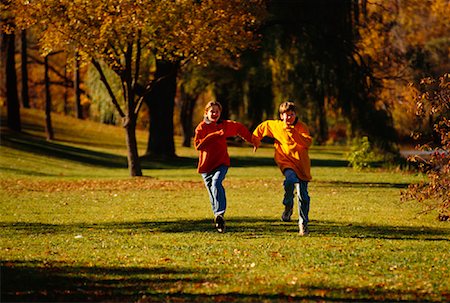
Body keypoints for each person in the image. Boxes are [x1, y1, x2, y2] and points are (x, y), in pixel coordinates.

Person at [252, 101, 312, 235]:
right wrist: (255, 141)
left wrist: (295, 133)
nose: (289, 117)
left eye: (292, 115)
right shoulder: (276, 126)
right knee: (290, 181)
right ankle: (288, 204)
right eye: (286, 115)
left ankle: (303, 223)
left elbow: (307, 142)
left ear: (295, 115)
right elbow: (262, 127)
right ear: (281, 116)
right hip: (286, 161)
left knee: (303, 196)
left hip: (301, 164)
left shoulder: (302, 127)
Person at [194, 101, 254, 233]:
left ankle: (220, 213)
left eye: (217, 111)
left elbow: (239, 128)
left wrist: (252, 140)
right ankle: (218, 218)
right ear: (206, 113)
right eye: (212, 111)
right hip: (206, 166)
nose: (215, 114)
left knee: (216, 183)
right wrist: (214, 135)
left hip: (221, 162)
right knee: (211, 192)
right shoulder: (201, 127)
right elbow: (198, 146)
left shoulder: (224, 125)